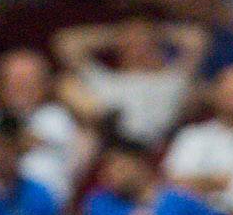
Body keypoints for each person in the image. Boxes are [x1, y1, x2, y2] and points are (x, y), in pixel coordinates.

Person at [52, 15, 204, 151]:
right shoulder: (106, 79)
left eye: (144, 41)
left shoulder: (171, 78)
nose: (137, 46)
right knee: (67, 83)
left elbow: (196, 39)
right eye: (131, 41)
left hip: (160, 138)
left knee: (197, 87)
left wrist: (156, 32)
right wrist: (118, 34)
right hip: (114, 136)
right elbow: (66, 42)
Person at [0, 48, 87, 208]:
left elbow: (17, 143)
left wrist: (3, 143)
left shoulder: (56, 116)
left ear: (44, 83)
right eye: (12, 79)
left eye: (26, 79)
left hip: (42, 207)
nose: (18, 85)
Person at [163, 66, 233, 214]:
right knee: (171, 203)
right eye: (228, 94)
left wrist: (203, 182)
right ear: (215, 94)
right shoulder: (191, 136)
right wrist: (219, 181)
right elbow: (174, 183)